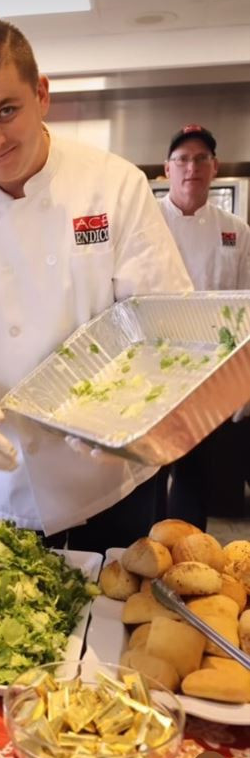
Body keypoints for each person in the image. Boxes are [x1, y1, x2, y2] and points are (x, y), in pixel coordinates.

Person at [0, 17, 193, 554]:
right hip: (4, 487)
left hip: (113, 480)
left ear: (41, 95)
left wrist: (123, 420)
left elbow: (164, 324)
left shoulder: (112, 185)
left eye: (6, 111)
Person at [158, 124, 250, 529]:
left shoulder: (236, 230)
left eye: (200, 159)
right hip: (154, 372)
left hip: (210, 375)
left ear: (214, 168)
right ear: (167, 169)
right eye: (182, 160)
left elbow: (246, 305)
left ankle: (183, 556)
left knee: (194, 475)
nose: (191, 167)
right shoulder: (147, 221)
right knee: (147, 477)